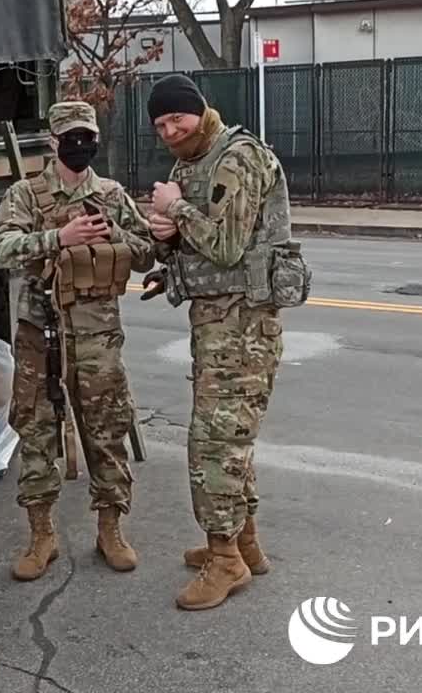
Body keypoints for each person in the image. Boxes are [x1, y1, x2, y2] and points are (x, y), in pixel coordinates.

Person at [144, 74, 309, 611]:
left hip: (242, 329)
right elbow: (200, 243)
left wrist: (174, 210)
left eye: (177, 118)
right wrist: (168, 256)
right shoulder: (195, 159)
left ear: (200, 111)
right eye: (161, 124)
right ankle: (246, 543)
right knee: (230, 441)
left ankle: (225, 560)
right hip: (217, 323)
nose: (170, 130)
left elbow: (226, 243)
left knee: (211, 445)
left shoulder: (236, 157)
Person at [0, 100, 154, 581]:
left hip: (98, 335)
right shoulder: (27, 194)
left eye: (88, 137)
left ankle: (110, 529)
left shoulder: (112, 194)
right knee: (37, 432)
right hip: (40, 333)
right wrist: (58, 237)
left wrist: (113, 228)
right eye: (71, 138)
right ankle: (41, 535)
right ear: (53, 142)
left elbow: (146, 254)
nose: (81, 146)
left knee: (107, 431)